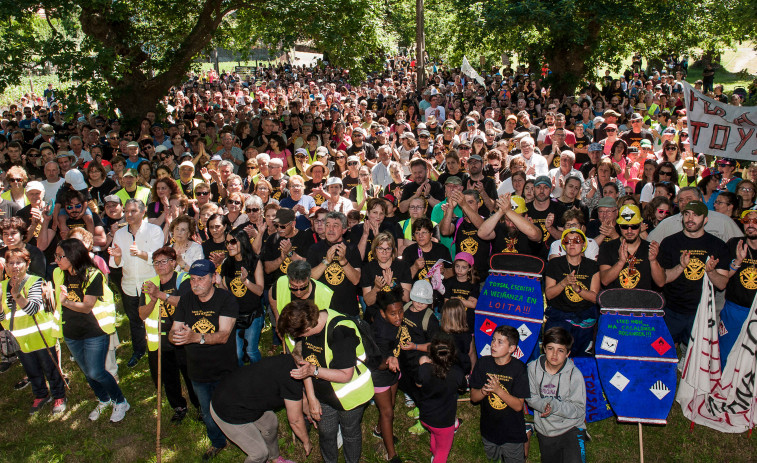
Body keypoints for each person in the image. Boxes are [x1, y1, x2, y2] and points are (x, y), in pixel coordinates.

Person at [277, 299, 374, 463]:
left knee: (350, 433)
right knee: (326, 433)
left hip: (350, 395)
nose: (298, 339)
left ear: (307, 328)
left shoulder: (341, 330)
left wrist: (313, 370)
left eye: (298, 335)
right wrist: (311, 398)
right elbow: (306, 363)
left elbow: (345, 375)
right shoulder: (311, 323)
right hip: (323, 395)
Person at [169, 259, 239, 461]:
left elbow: (224, 335)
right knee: (208, 414)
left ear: (213, 278)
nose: (196, 283)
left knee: (229, 406)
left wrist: (194, 337)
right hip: (197, 370)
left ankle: (238, 436)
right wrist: (176, 336)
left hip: (224, 367)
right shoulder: (185, 300)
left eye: (201, 278)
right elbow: (174, 331)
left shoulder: (226, 300)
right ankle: (218, 442)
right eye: (192, 279)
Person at [53, 239, 129, 422]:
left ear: (73, 256)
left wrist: (65, 302)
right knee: (88, 372)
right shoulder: (58, 273)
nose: (56, 259)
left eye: (59, 256)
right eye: (55, 255)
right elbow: (56, 300)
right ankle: (104, 399)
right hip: (71, 333)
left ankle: (120, 401)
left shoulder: (93, 274)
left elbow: (87, 306)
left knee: (96, 372)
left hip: (94, 331)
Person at [651, 200, 730, 350]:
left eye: (695, 215)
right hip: (671, 311)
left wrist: (711, 271)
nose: (690, 218)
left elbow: (722, 284)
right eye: (686, 214)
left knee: (698, 357)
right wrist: (681, 266)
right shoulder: (670, 242)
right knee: (661, 352)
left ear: (705, 219)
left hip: (701, 313)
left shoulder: (717, 245)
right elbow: (663, 279)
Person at [209, 353, 312, 463]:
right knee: (259, 454)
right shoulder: (291, 381)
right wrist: (306, 441)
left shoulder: (288, 360)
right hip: (225, 410)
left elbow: (303, 398)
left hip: (242, 399)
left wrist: (309, 413)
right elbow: (295, 421)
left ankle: (275, 459)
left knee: (270, 423)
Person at [0, 247, 66, 415]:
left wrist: (17, 295)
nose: (15, 266)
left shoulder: (35, 281)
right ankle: (41, 394)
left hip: (41, 335)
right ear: (5, 267)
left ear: (27, 264)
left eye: (19, 262)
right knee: (31, 369)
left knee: (50, 367)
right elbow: (2, 316)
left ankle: (59, 395)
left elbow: (33, 309)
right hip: (19, 339)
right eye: (10, 263)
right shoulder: (1, 286)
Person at [137, 246, 198, 423]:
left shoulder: (183, 279)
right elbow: (141, 314)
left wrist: (160, 294)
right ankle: (178, 407)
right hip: (160, 341)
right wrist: (153, 299)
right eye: (156, 262)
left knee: (189, 374)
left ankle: (199, 405)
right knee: (168, 376)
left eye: (164, 261)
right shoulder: (149, 284)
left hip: (182, 337)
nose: (160, 265)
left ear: (173, 263)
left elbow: (185, 303)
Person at [108, 198, 164, 368]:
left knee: (155, 318)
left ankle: (158, 349)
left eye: (133, 211)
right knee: (134, 320)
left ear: (143, 211)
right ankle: (139, 350)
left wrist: (139, 253)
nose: (129, 215)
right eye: (126, 211)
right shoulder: (119, 233)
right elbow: (115, 263)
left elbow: (157, 257)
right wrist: (117, 255)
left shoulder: (154, 230)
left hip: (150, 283)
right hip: (129, 284)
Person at [470, 325, 530, 463]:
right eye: (493, 340)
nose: (493, 345)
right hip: (488, 429)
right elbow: (474, 398)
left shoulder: (519, 369)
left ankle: (527, 435)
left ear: (511, 349)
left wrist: (498, 390)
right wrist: (484, 391)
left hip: (512, 432)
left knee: (516, 459)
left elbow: (518, 406)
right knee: (493, 458)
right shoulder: (483, 363)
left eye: (500, 342)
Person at [526, 327, 587, 463]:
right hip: (545, 430)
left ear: (567, 353)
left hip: (571, 428)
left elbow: (579, 409)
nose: (554, 354)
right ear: (544, 349)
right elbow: (530, 397)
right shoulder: (532, 368)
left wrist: (554, 406)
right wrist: (544, 405)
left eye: (560, 350)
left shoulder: (574, 375)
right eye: (550, 348)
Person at [543, 228, 600, 357]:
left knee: (582, 359)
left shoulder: (592, 266)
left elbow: (595, 298)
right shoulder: (554, 264)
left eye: (577, 241)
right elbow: (549, 295)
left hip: (584, 319)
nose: (572, 244)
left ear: (584, 244)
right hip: (559, 317)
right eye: (567, 241)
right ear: (563, 244)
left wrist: (578, 290)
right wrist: (564, 283)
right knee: (555, 356)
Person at [416, 335, 466, 463]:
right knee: (443, 450)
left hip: (426, 417)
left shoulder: (425, 369)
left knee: (434, 434)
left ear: (431, 354)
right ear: (453, 355)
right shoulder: (457, 373)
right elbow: (462, 389)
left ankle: (434, 454)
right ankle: (437, 458)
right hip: (444, 422)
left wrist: (423, 362)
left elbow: (418, 384)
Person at [371, 288, 406, 463]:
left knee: (391, 404)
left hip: (393, 368)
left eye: (400, 311)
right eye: (393, 314)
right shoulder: (381, 333)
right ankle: (391, 455)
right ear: (383, 314)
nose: (398, 317)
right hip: (380, 373)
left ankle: (379, 430)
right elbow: (376, 362)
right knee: (388, 413)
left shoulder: (393, 323)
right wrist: (389, 361)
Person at [219, 228, 265, 365]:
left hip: (253, 314)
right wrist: (218, 283)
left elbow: (260, 291)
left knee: (251, 350)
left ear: (243, 242)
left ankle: (260, 375)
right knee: (238, 353)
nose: (229, 246)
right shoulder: (227, 264)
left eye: (233, 241)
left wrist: (246, 281)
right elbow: (226, 292)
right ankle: (241, 380)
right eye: (227, 243)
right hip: (235, 314)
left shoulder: (254, 262)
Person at [719, 209, 757, 367]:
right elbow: (723, 277)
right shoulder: (735, 244)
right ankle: (723, 389)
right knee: (726, 353)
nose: (750, 224)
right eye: (747, 221)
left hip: (755, 311)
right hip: (735, 310)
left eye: (755, 221)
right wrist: (737, 261)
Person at [307, 211, 362, 317]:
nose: (330, 229)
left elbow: (356, 280)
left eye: (335, 226)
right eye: (327, 225)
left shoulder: (352, 249)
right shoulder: (315, 249)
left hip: (348, 310)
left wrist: (343, 261)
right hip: (323, 311)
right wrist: (326, 261)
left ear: (344, 230)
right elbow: (310, 278)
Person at [598, 205, 656, 290]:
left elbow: (661, 282)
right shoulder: (607, 247)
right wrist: (621, 262)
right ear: (619, 226)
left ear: (640, 225)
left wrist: (653, 261)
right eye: (625, 226)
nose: (629, 231)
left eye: (634, 226)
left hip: (643, 301)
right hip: (615, 300)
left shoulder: (650, 248)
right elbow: (605, 281)